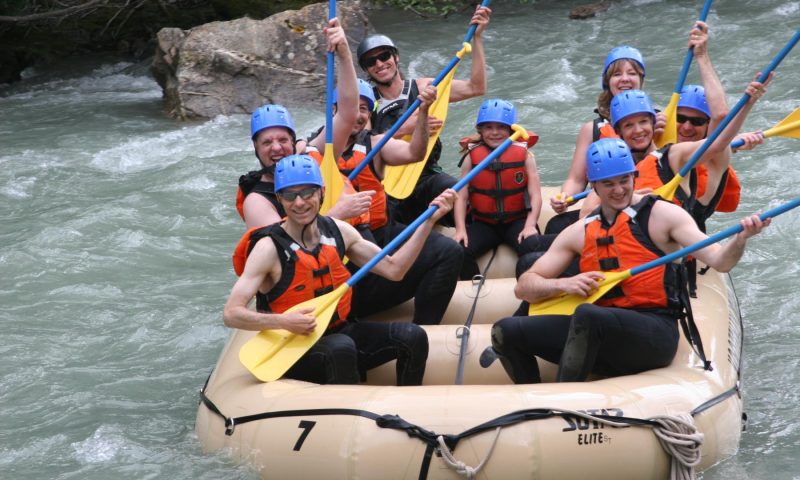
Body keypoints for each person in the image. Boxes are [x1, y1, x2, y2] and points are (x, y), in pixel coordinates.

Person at [490, 138, 771, 384]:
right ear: (594, 187)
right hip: (596, 333)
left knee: (588, 315)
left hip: (653, 333)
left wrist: (741, 239)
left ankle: (564, 399)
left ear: (634, 177)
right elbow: (525, 286)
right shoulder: (581, 231)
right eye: (608, 184)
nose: (619, 190)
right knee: (506, 330)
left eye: (624, 180)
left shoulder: (664, 216)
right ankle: (530, 399)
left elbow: (720, 261)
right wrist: (565, 283)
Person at [224, 155, 458, 385]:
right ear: (279, 198)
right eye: (289, 195)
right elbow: (231, 313)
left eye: (307, 192)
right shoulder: (268, 248)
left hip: (340, 330)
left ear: (321, 192)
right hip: (292, 344)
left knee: (413, 337)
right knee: (340, 348)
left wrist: (429, 221)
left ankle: (407, 402)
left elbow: (394, 269)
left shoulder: (339, 231)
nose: (299, 202)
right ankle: (350, 417)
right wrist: (284, 322)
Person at [306, 78, 463, 326]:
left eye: (365, 109)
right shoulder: (314, 149)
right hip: (339, 246)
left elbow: (415, 153)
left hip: (379, 234)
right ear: (336, 110)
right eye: (352, 107)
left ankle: (425, 326)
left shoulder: (375, 143)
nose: (358, 114)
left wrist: (422, 113)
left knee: (449, 251)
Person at [355, 5, 492, 226]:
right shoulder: (366, 104)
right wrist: (407, 127)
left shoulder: (425, 87)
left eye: (384, 56)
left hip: (428, 176)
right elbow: (362, 148)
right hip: (389, 186)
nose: (380, 64)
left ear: (396, 57)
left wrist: (477, 39)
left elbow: (476, 87)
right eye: (371, 62)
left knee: (459, 195)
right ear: (366, 70)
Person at [235, 17, 373, 229]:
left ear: (293, 141)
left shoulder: (311, 155)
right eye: (266, 142)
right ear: (255, 147)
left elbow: (347, 113)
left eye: (282, 140)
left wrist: (344, 54)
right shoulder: (256, 201)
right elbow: (284, 249)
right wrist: (338, 213)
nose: (276, 148)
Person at [548, 45, 665, 230]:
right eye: (617, 74)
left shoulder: (659, 122)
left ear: (641, 80)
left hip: (647, 206)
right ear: (608, 82)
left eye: (632, 73)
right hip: (608, 204)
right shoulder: (592, 129)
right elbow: (577, 179)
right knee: (555, 225)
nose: (625, 79)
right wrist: (565, 197)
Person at [453, 98, 542, 280]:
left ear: (511, 129)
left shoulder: (525, 155)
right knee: (458, 251)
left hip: (517, 221)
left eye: (501, 127)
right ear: (480, 130)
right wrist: (460, 229)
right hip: (484, 224)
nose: (495, 133)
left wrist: (531, 224)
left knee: (533, 246)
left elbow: (535, 194)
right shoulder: (472, 157)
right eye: (488, 127)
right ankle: (475, 286)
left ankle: (529, 288)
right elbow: (461, 197)